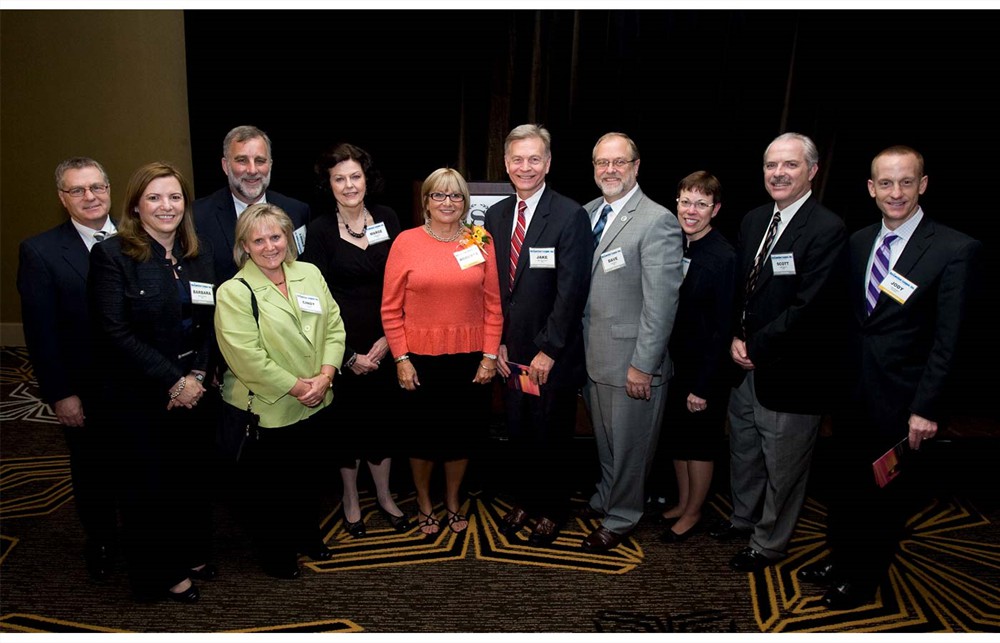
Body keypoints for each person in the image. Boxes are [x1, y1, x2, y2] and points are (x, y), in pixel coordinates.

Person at [797, 146, 981, 609]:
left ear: (922, 184)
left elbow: (950, 339)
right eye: (885, 183)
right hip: (852, 394)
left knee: (884, 495)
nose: (894, 192)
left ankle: (862, 577)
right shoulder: (858, 242)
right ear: (870, 188)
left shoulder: (954, 249)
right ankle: (841, 559)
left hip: (903, 404)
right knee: (846, 485)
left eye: (905, 182)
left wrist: (927, 408)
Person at [717, 132, 847, 573]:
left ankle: (770, 543)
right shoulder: (753, 220)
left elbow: (809, 307)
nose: (778, 173)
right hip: (744, 367)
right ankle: (743, 520)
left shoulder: (828, 228)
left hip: (791, 374)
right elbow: (743, 288)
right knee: (745, 452)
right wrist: (735, 336)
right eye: (772, 165)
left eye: (790, 165)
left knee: (784, 467)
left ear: (812, 171)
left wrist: (756, 343)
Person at [88, 162, 216, 603]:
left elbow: (208, 322)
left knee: (188, 482)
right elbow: (114, 332)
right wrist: (174, 381)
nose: (167, 206)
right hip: (138, 395)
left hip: (194, 389)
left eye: (175, 197)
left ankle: (191, 552)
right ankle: (160, 573)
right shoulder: (112, 256)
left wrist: (197, 374)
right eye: (155, 197)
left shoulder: (198, 254)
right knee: (148, 489)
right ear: (136, 205)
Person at [214, 203, 346, 580]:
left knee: (307, 479)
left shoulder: (309, 273)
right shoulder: (234, 292)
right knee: (273, 490)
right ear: (244, 246)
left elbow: (334, 326)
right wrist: (300, 387)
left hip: (317, 400)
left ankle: (307, 535)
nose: (269, 246)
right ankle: (276, 553)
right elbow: (247, 359)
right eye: (259, 240)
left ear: (288, 238)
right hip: (268, 410)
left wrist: (325, 376)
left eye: (276, 236)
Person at [483, 124, 591, 545]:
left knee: (552, 434)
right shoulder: (494, 215)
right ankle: (526, 500)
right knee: (519, 431)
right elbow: (495, 288)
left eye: (533, 159)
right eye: (516, 159)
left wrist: (549, 349)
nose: (524, 167)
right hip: (510, 351)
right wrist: (499, 343)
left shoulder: (570, 215)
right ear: (506, 165)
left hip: (551, 353)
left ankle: (552, 509)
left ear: (547, 163)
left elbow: (572, 291)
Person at [381, 168, 503, 536]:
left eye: (455, 196)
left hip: (470, 360)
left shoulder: (481, 241)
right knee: (422, 438)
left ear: (466, 203)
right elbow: (390, 308)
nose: (447, 203)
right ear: (426, 202)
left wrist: (490, 356)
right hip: (418, 360)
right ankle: (423, 502)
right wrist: (401, 359)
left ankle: (452, 500)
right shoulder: (406, 242)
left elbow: (494, 305)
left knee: (461, 437)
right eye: (439, 195)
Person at [17, 157, 120, 581]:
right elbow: (41, 333)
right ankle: (100, 541)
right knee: (93, 469)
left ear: (109, 189)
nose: (90, 197)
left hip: (144, 383)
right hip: (87, 388)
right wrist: (61, 393)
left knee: (143, 466)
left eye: (96, 187)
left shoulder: (140, 238)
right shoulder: (41, 251)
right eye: (77, 190)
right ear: (63, 198)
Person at [580, 132, 684, 551]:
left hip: (631, 361)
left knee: (631, 445)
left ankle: (622, 516)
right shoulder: (587, 213)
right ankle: (608, 496)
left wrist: (645, 364)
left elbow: (662, 303)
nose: (610, 170)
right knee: (606, 439)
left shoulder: (657, 220)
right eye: (602, 162)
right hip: (593, 355)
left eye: (619, 162)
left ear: (636, 167)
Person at [300, 143, 410, 538]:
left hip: (387, 341)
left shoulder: (388, 218)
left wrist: (387, 341)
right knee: (346, 429)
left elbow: (404, 283)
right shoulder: (318, 231)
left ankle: (383, 495)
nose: (349, 185)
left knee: (383, 425)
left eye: (355, 176)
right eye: (339, 178)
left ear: (367, 179)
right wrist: (347, 357)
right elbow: (313, 302)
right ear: (328, 184)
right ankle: (350, 500)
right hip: (340, 349)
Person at [654, 172, 737, 543]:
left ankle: (694, 511)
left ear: (715, 209)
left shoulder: (723, 256)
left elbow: (723, 328)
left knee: (699, 444)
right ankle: (683, 502)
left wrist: (703, 386)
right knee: (678, 439)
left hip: (706, 371)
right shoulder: (675, 245)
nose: (691, 210)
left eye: (701, 204)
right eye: (686, 201)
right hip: (676, 366)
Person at [194, 125, 311, 283]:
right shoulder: (198, 216)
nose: (252, 170)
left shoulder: (296, 211)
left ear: (270, 164)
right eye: (242, 160)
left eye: (260, 161)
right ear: (225, 166)